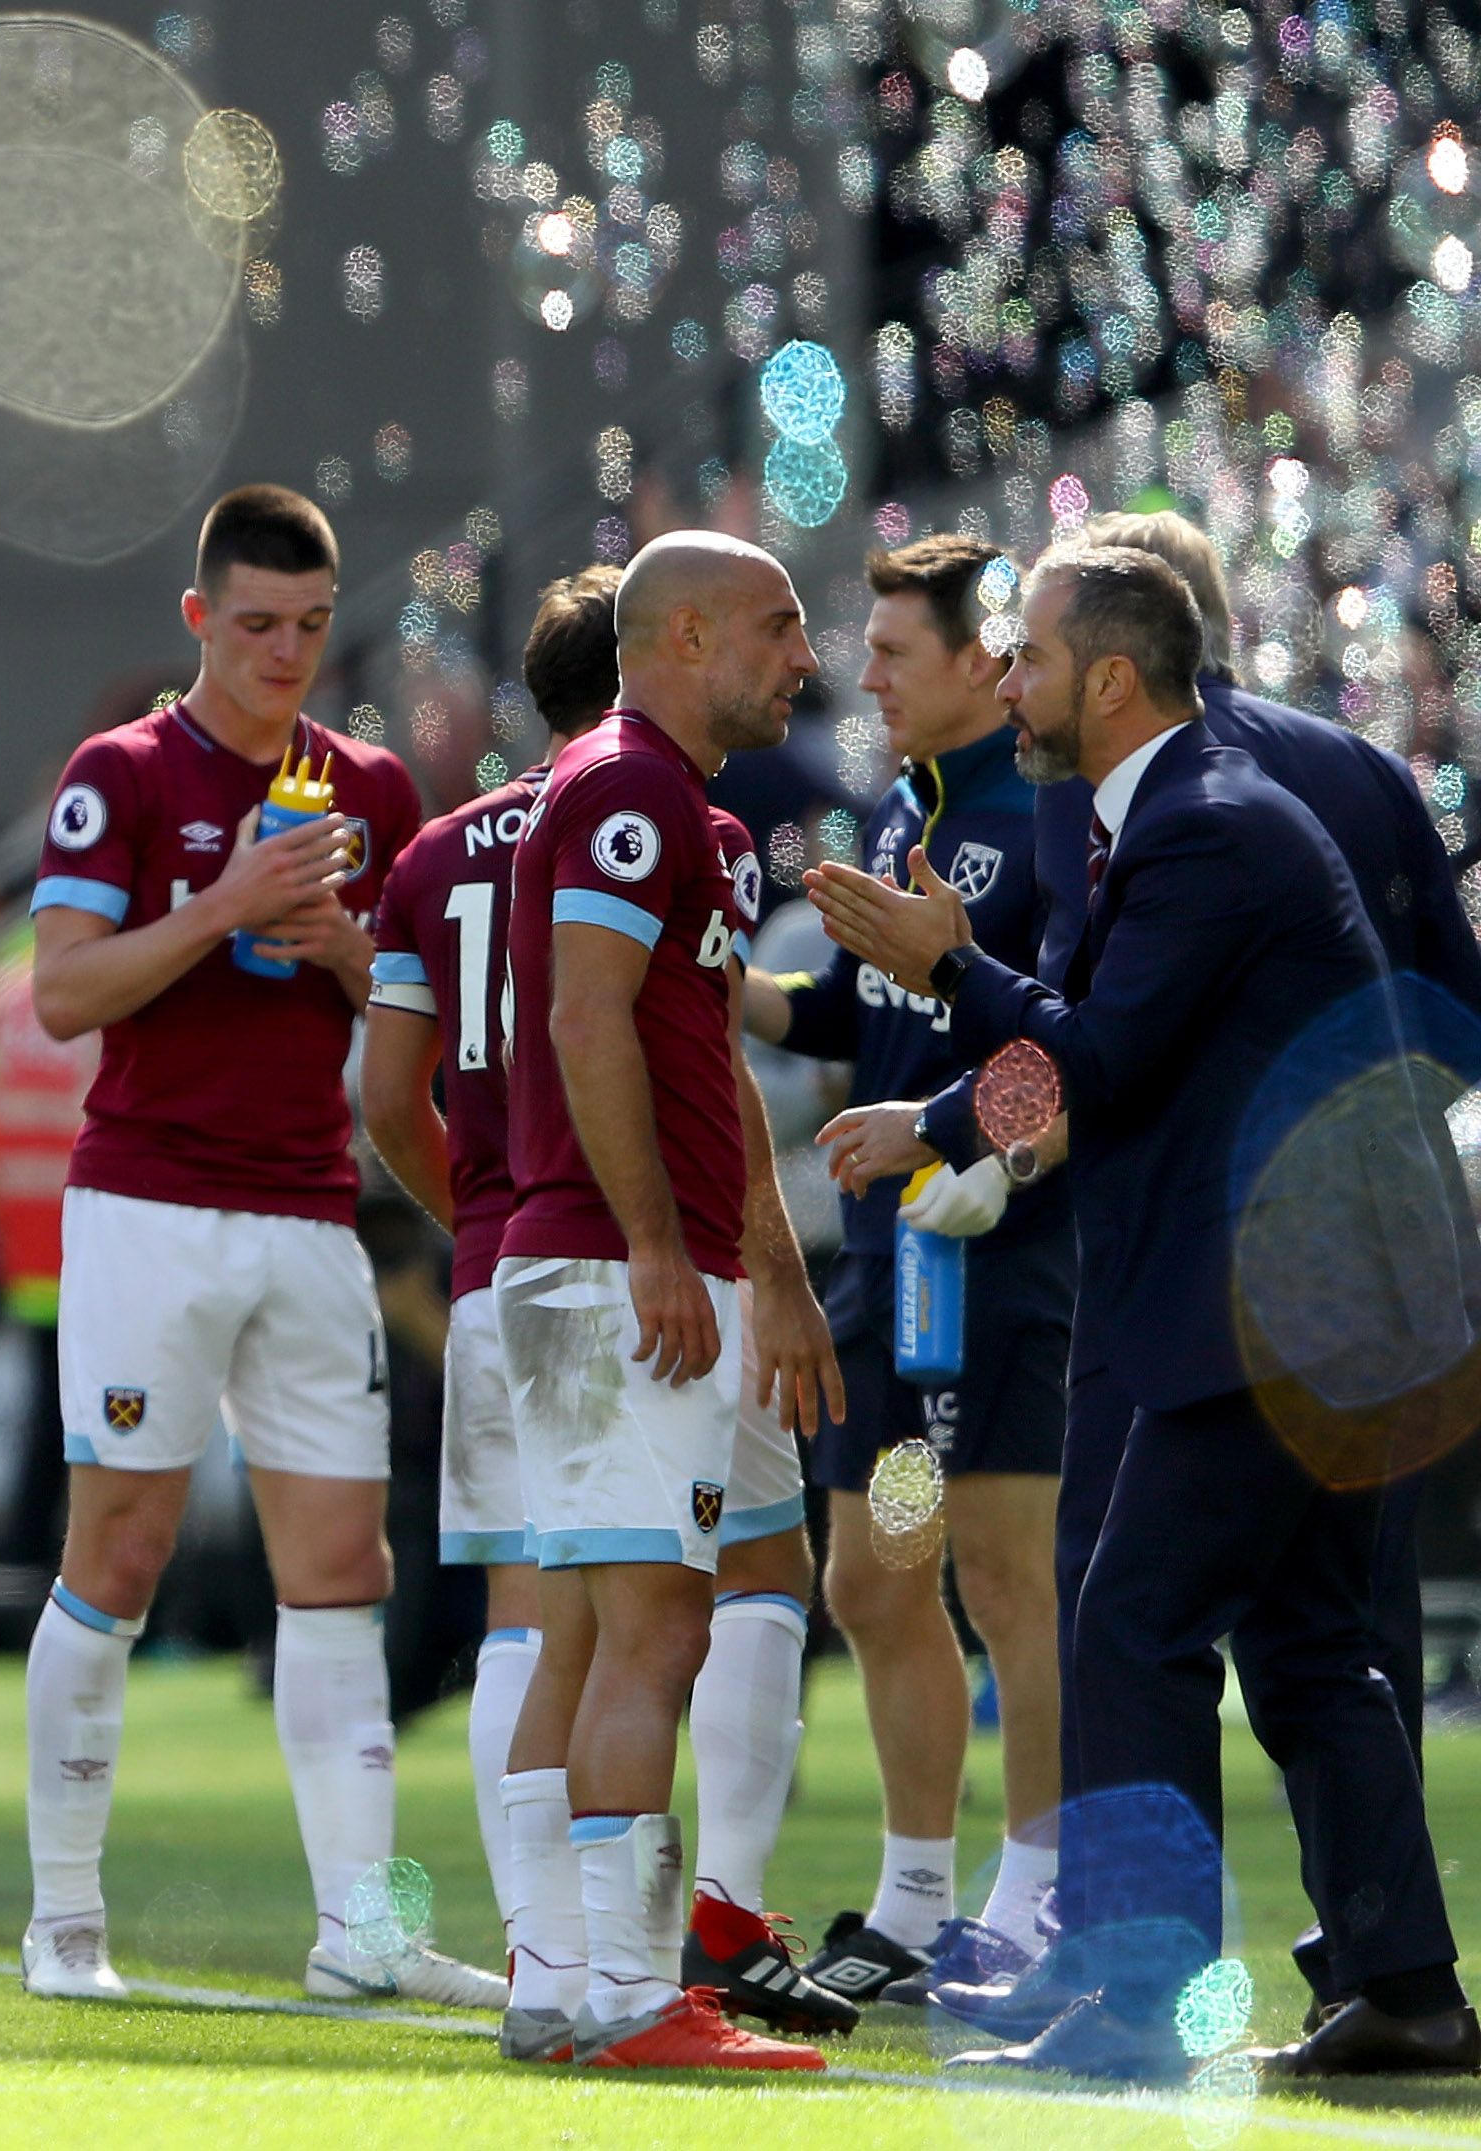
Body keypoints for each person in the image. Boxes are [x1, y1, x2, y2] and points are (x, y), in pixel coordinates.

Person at [810, 542, 1474, 2080]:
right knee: (1306, 1644)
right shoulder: (1167, 817)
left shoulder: (1208, 825)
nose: (1004, 681)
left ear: (1109, 678)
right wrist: (943, 1117)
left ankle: (1135, 2005)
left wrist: (948, 964)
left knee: (1129, 1620)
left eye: (1025, 657)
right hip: (1324, 1292)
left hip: (1281, 1299)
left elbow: (1098, 1058)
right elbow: (1113, 1048)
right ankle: (1410, 1988)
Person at [17, 485, 494, 2008]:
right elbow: (65, 994)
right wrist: (221, 901)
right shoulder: (125, 774)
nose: (284, 653)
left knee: (342, 1564)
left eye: (307, 626)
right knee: (122, 1549)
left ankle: (360, 1925)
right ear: (199, 620)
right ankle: (63, 1925)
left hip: (306, 1210)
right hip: (149, 1204)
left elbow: (422, 1019)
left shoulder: (367, 788)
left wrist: (346, 944)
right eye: (256, 625)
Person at [493, 532, 842, 2072]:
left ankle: (579, 1981)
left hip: (639, 1255)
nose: (803, 655)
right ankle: (636, 1995)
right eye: (778, 626)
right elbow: (583, 1013)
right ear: (685, 633)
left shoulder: (672, 803)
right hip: (613, 1260)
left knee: (620, 1621)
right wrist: (648, 1238)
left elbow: (701, 1056)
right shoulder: (627, 787)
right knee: (652, 1628)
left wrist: (770, 1271)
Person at [742, 536, 1070, 2006]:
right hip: (891, 1273)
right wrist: (727, 979)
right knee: (873, 1579)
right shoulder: (897, 812)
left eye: (893, 648)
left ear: (987, 666)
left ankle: (1045, 1898)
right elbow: (852, 1015)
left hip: (1001, 1268)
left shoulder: (1051, 818)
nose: (860, 670)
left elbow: (1087, 1037)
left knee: (1003, 1579)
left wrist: (986, 1159)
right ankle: (918, 1901)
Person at [360, 569, 616, 1983]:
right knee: (640, 1608)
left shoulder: (432, 854)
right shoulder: (656, 831)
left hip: (491, 1266)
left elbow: (386, 1097)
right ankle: (620, 1950)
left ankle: (539, 1949)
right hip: (617, 1257)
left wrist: (479, 1203)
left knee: (521, 1604)